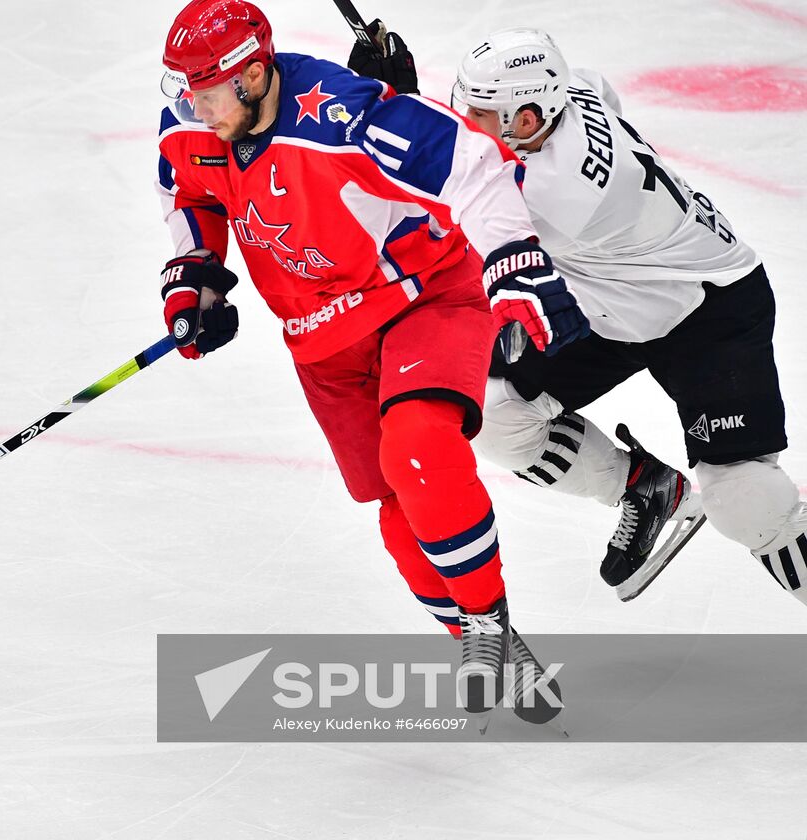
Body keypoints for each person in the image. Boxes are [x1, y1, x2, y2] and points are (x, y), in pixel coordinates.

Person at [154, 0, 589, 719]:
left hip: (421, 298)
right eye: (184, 92)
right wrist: (194, 274)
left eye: (204, 90)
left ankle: (482, 618)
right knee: (393, 506)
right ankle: (486, 640)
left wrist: (513, 266)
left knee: (419, 447)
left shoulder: (341, 116)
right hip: (321, 340)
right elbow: (190, 192)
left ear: (255, 74)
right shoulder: (195, 119)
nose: (191, 107)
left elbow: (473, 164)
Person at [353, 25, 806, 605]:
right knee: (496, 416)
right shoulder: (572, 94)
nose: (465, 119)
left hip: (707, 310)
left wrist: (384, 103)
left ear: (526, 118)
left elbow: (450, 208)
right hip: (608, 298)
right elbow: (507, 145)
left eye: (482, 112)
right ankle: (645, 488)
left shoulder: (559, 195)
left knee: (744, 499)